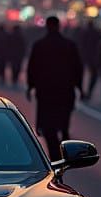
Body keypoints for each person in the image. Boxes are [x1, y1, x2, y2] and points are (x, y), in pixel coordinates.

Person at [26, 16, 82, 161]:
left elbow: (32, 68)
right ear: (59, 26)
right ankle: (66, 152)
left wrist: (30, 86)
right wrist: (80, 87)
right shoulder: (69, 45)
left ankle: (56, 157)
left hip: (46, 92)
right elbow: (78, 68)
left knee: (49, 128)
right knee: (63, 125)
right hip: (65, 91)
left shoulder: (39, 45)